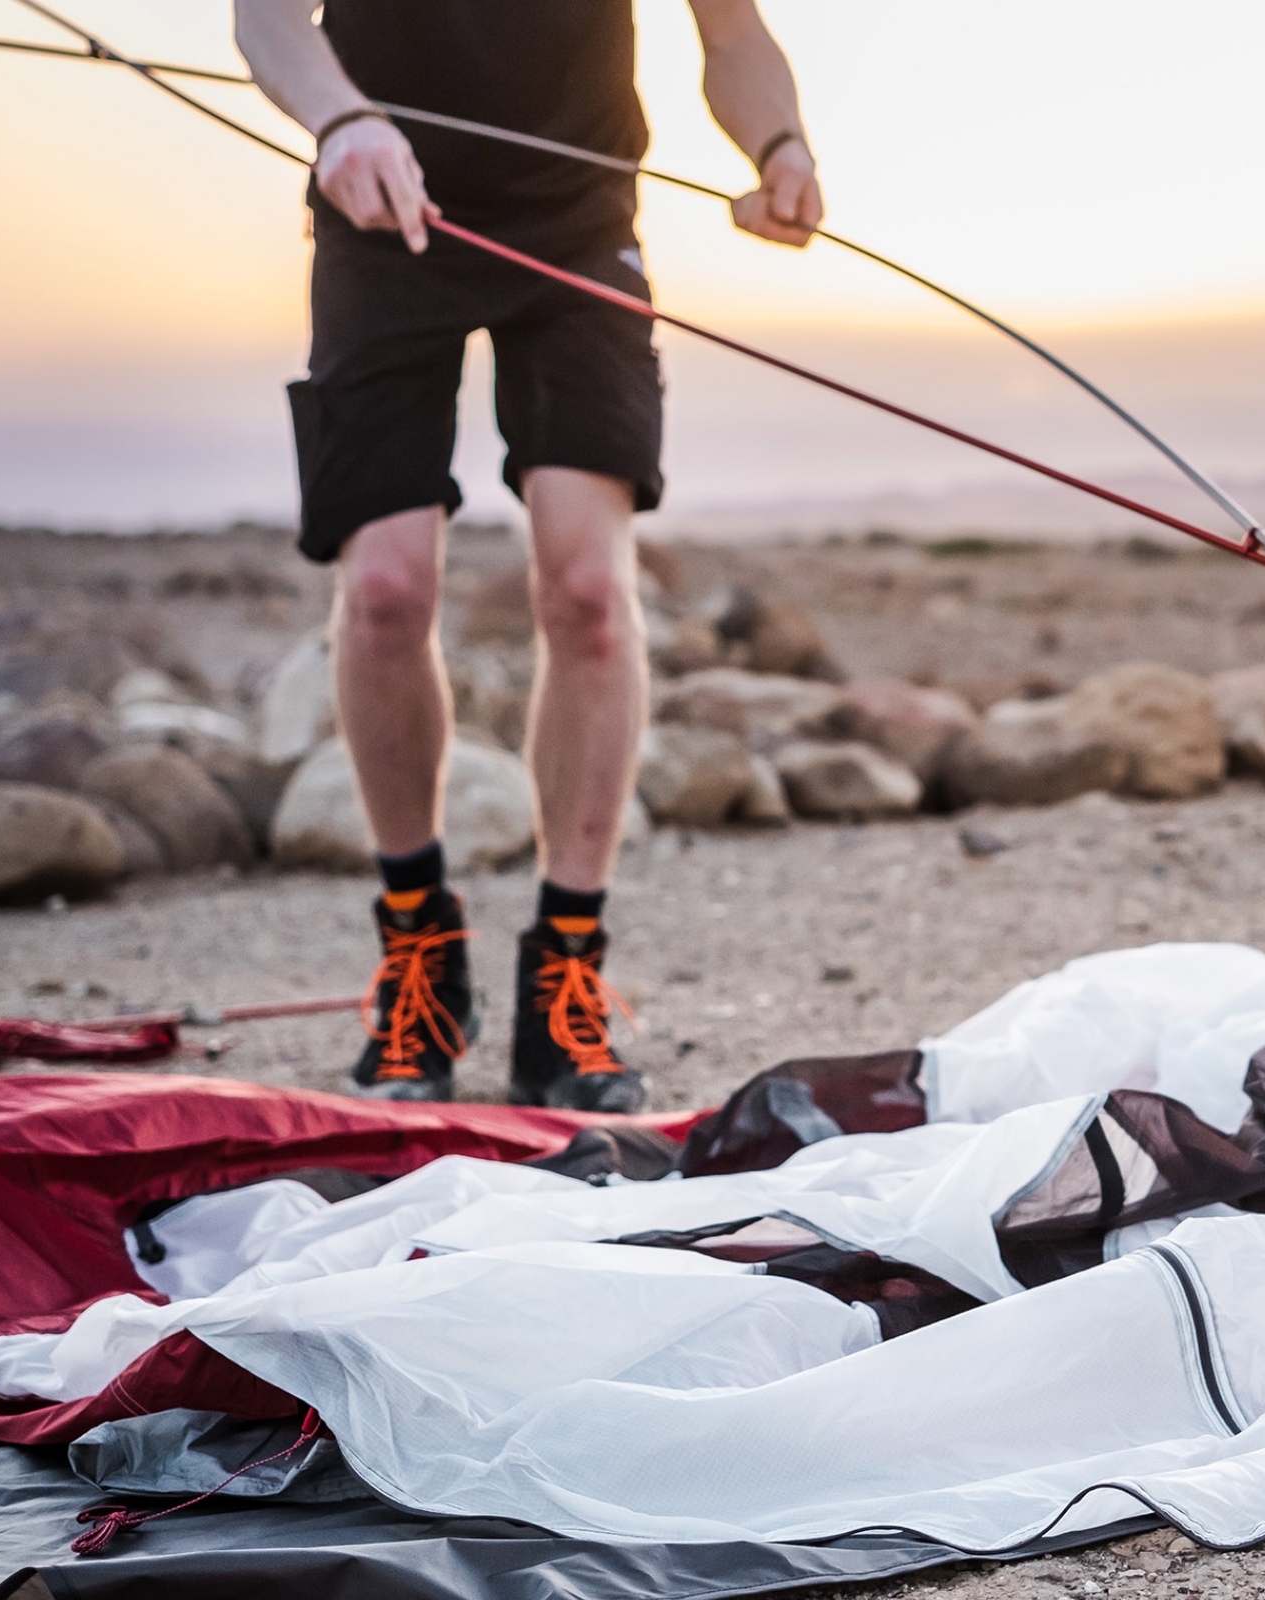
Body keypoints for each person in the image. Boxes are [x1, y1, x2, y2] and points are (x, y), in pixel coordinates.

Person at [233, 0, 826, 1111]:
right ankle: (418, 954)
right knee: (386, 590)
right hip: (380, 199)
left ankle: (568, 976)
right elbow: (266, 20)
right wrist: (342, 119)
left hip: (577, 217)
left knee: (594, 593)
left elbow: (734, 37)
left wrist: (779, 145)